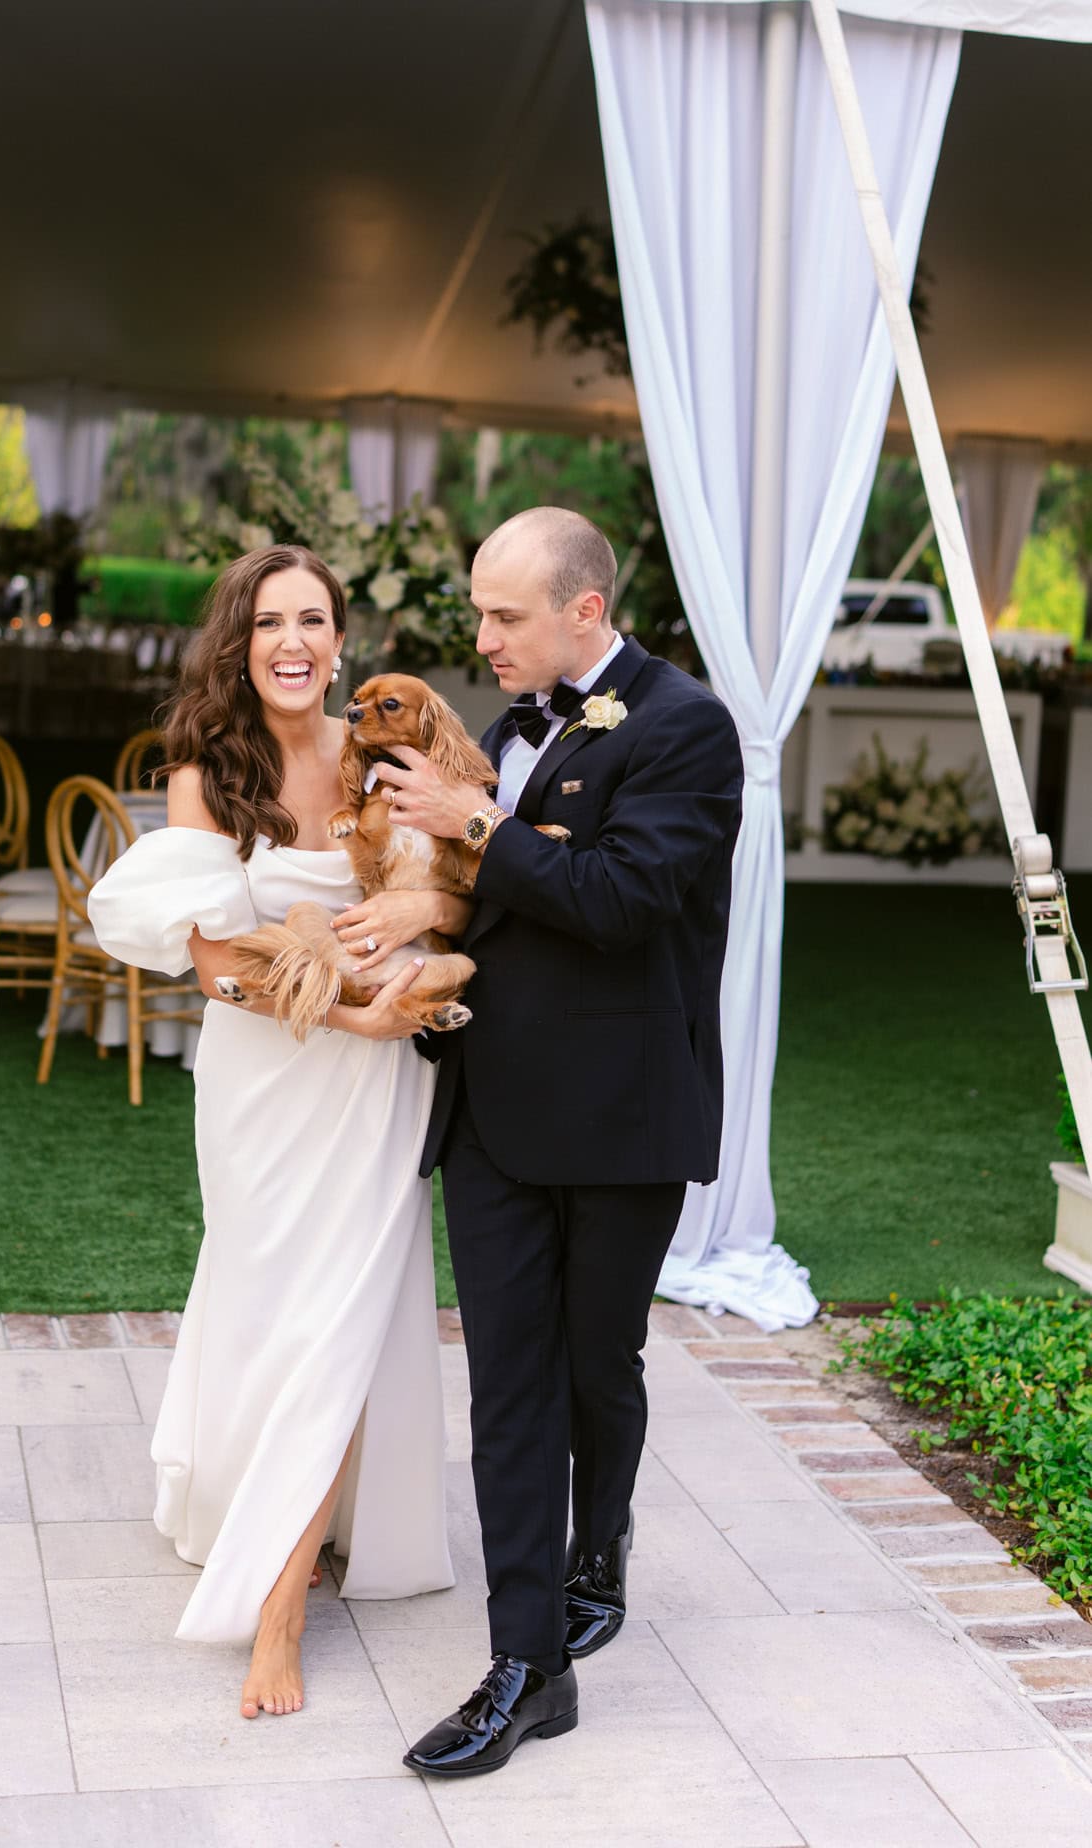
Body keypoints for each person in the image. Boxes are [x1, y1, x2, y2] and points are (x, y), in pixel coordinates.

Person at [373, 507, 744, 1778]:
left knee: (599, 1369)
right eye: (478, 613)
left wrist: (477, 827)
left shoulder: (687, 728)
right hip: (488, 1111)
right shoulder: (501, 729)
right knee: (511, 1390)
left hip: (618, 1118)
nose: (482, 639)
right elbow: (498, 901)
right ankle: (527, 1665)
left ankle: (605, 1544)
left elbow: (623, 902)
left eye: (505, 616)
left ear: (586, 610)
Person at [87, 544, 457, 1721]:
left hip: (381, 1087)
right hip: (267, 1079)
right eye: (269, 622)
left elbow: (457, 885)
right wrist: (361, 1014)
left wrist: (420, 939)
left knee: (344, 1319)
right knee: (264, 1307)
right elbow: (214, 972)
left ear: (341, 643)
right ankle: (265, 1508)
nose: (292, 642)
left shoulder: (384, 754)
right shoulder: (204, 770)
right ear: (239, 644)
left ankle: (283, 1608)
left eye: (314, 620)